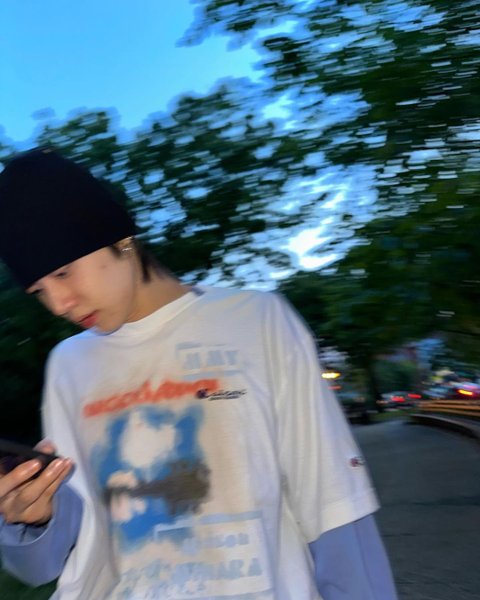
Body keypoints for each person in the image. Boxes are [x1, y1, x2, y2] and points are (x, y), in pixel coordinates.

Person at [0, 148, 397, 600]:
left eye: (63, 273)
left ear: (120, 238)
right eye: (39, 291)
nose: (58, 304)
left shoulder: (257, 321)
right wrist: (31, 518)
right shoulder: (68, 365)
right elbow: (51, 561)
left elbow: (332, 500)